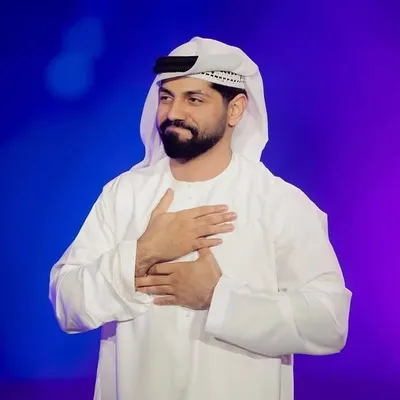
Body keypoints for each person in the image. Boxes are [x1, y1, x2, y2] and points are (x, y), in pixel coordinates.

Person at [49, 37, 352, 400]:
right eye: (166, 97)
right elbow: (67, 303)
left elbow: (329, 322)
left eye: (193, 99)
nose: (173, 112)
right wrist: (142, 254)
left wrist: (218, 297)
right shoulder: (123, 194)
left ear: (235, 110)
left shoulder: (279, 203)